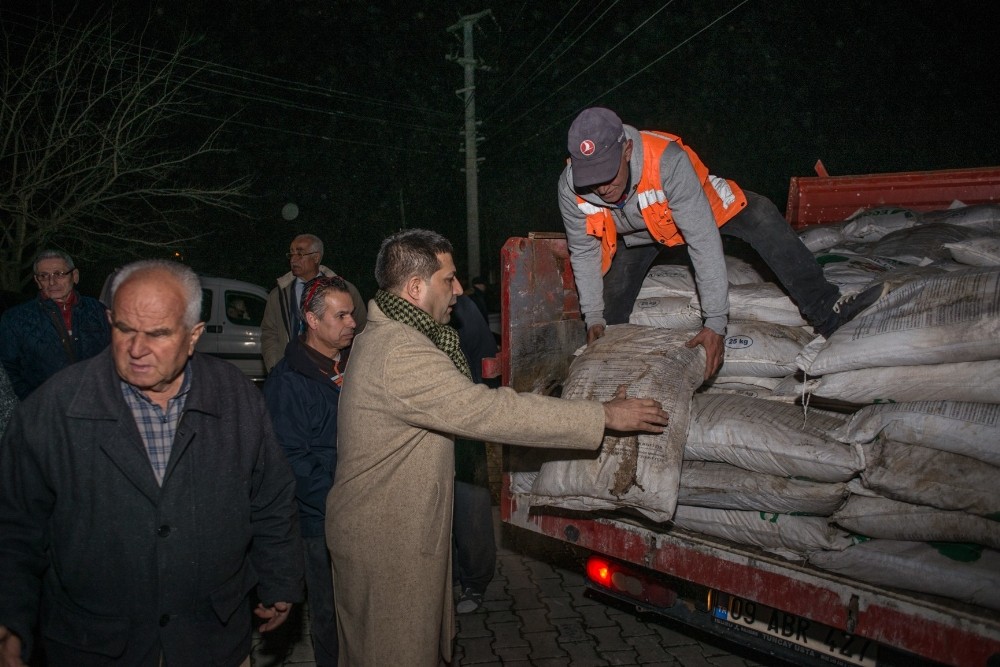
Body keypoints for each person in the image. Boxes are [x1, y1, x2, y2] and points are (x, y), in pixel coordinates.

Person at [326, 228, 669, 666]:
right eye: (448, 279)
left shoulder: (396, 334)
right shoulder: (400, 351)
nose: (459, 290)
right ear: (415, 288)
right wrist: (603, 415)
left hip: (392, 529)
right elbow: (487, 412)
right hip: (386, 544)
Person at [0, 259, 303, 667]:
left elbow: (271, 496)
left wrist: (280, 579)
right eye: (123, 328)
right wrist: (10, 620)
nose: (136, 349)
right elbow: (15, 527)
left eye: (158, 334)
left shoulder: (235, 396)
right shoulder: (53, 409)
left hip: (212, 639)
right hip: (94, 645)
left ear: (194, 335)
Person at [558, 107, 887, 379]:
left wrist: (715, 323)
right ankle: (613, 375)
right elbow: (584, 250)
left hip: (685, 210)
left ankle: (828, 312)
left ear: (627, 150)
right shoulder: (571, 187)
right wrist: (594, 317)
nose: (601, 188)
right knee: (609, 321)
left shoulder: (666, 161)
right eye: (591, 178)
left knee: (760, 214)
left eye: (607, 174)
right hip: (636, 234)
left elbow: (702, 240)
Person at [263, 276, 357, 667]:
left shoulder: (352, 365)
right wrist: (340, 500)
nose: (353, 322)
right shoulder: (288, 383)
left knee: (357, 606)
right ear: (312, 321)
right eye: (342, 315)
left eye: (352, 313)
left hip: (356, 509)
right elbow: (293, 461)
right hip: (319, 519)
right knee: (328, 612)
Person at [0, 249, 111, 399]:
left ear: (75, 276)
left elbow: (115, 354)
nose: (52, 282)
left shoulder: (98, 311)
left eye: (59, 274)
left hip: (97, 403)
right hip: (46, 411)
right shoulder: (14, 319)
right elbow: (8, 370)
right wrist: (34, 402)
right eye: (44, 276)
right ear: (38, 281)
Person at [450, 294, 498, 615]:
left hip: (466, 423)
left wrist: (481, 409)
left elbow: (486, 360)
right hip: (430, 425)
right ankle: (449, 574)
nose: (455, 286)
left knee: (471, 507)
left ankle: (475, 581)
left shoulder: (464, 308)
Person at [261, 234, 367, 373]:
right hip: (291, 371)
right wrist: (274, 365)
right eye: (291, 254)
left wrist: (353, 366)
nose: (293, 259)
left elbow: (362, 329)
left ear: (316, 257)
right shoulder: (278, 295)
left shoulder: (345, 291)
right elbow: (269, 333)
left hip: (333, 370)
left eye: (300, 254)